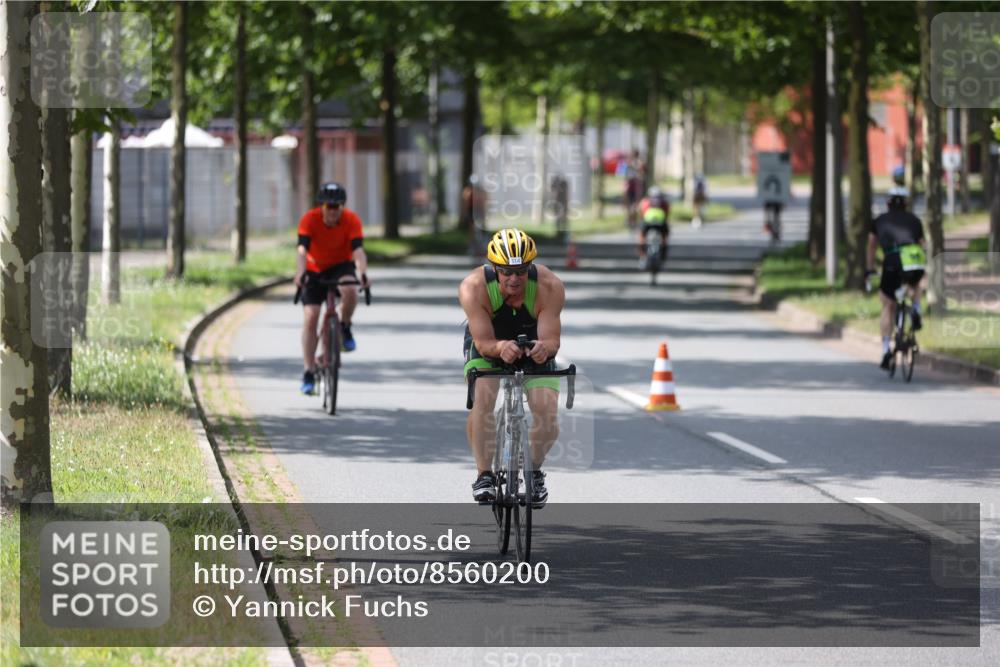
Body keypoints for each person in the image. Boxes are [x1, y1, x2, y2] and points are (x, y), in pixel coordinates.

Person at [458, 229, 566, 508]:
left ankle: (534, 471)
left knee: (546, 411)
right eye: (506, 272)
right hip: (489, 342)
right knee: (483, 398)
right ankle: (484, 475)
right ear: (494, 268)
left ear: (529, 267)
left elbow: (552, 340)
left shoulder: (549, 286)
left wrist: (544, 348)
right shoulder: (473, 287)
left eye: (520, 271)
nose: (514, 279)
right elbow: (483, 343)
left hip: (532, 341)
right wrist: (499, 348)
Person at [295, 182, 370, 395]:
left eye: (337, 207)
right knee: (311, 316)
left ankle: (344, 326)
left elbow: (358, 251)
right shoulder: (309, 219)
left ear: (342, 207)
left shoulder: (351, 220)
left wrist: (363, 273)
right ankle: (309, 371)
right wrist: (300, 272)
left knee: (350, 289)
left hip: (340, 266)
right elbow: (302, 249)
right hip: (314, 269)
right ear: (321, 206)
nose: (333, 211)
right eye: (329, 206)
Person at [866, 186, 926, 370]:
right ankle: (915, 308)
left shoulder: (879, 221)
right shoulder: (915, 220)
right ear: (906, 204)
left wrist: (870, 269)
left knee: (887, 304)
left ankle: (886, 350)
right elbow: (922, 245)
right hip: (913, 258)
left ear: (888, 203)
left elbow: (871, 246)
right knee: (915, 283)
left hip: (892, 260)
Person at [638, 185, 670, 266]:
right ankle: (663, 255)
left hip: (647, 222)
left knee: (642, 237)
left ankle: (642, 256)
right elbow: (667, 214)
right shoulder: (664, 203)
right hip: (661, 223)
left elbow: (642, 213)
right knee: (665, 237)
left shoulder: (645, 202)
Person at [624, 150, 644, 229]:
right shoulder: (636, 163)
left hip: (632, 185)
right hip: (635, 185)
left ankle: (632, 221)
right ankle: (632, 221)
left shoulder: (632, 163)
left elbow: (627, 177)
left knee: (632, 205)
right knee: (634, 205)